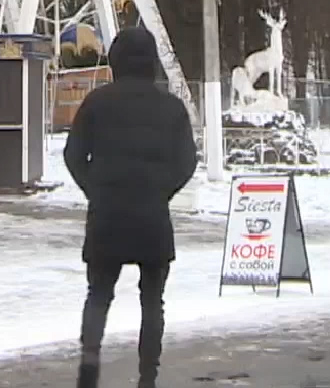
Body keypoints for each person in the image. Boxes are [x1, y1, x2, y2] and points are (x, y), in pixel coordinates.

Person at [63, 27, 199, 388]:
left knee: (98, 295)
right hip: (152, 218)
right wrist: (160, 192)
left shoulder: (96, 103)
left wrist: (97, 189)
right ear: (152, 62)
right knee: (153, 301)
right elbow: (187, 161)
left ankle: (89, 367)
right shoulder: (171, 108)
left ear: (116, 61)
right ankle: (147, 377)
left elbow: (73, 156)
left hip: (107, 216)